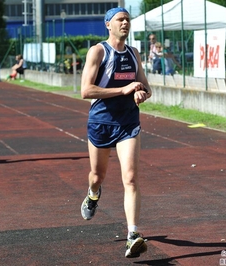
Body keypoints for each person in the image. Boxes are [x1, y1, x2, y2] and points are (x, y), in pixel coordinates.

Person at [80, 7, 152, 259]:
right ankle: (93, 194)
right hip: (101, 122)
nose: (125, 23)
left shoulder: (134, 53)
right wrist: (122, 90)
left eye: (128, 20)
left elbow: (145, 86)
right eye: (120, 19)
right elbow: (86, 91)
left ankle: (133, 234)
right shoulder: (98, 51)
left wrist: (140, 92)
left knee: (130, 178)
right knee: (97, 176)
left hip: (127, 123)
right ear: (108, 24)